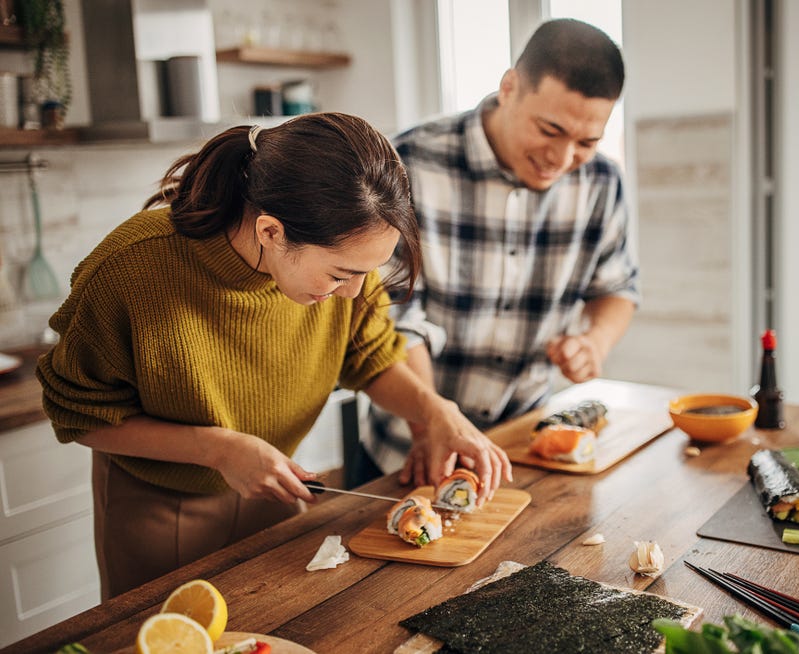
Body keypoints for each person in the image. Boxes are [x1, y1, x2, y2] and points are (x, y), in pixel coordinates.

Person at [36, 113, 511, 600]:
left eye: (364, 274)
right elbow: (79, 415)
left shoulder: (344, 262)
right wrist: (220, 449)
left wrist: (434, 411)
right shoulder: (132, 267)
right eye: (339, 275)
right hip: (160, 500)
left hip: (272, 480)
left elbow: (370, 357)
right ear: (270, 231)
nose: (352, 293)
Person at [367, 19, 639, 485]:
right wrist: (430, 422)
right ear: (509, 87)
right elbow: (389, 320)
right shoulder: (408, 162)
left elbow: (616, 288)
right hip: (410, 448)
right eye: (549, 129)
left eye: (586, 142)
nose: (562, 157)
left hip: (527, 442)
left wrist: (593, 341)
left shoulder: (601, 183)